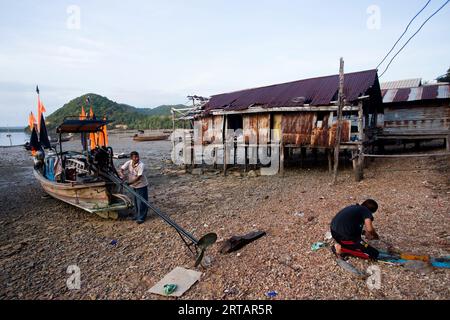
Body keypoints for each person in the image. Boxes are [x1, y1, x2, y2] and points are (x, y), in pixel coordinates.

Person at [119, 151, 149, 224]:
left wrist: (129, 183)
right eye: (135, 157)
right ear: (131, 158)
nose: (137, 158)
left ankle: (142, 218)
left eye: (137, 157)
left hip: (141, 185)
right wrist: (122, 174)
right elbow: (122, 169)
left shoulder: (141, 165)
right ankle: (137, 215)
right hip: (133, 185)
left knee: (141, 202)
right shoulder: (129, 163)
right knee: (135, 201)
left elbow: (139, 177)